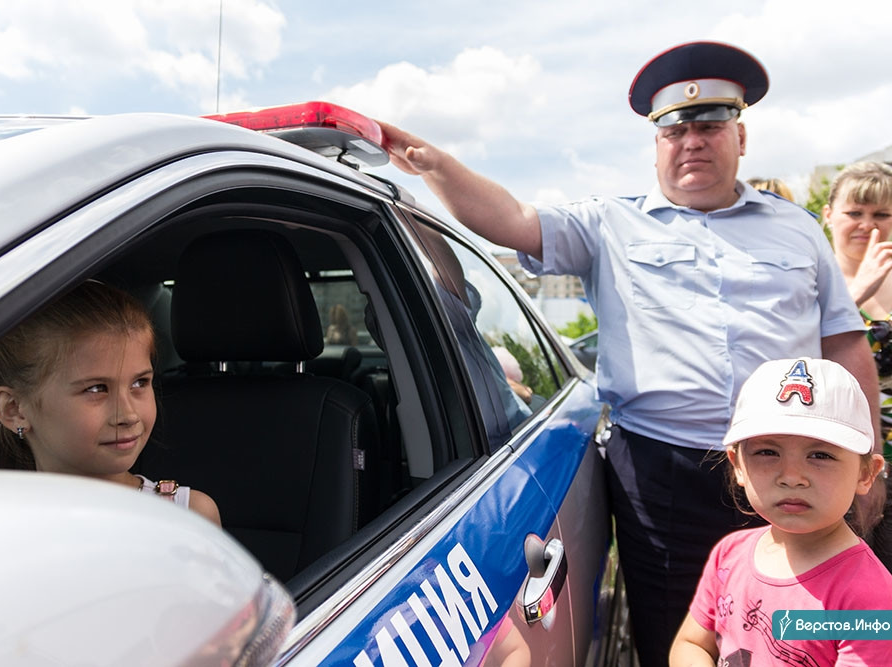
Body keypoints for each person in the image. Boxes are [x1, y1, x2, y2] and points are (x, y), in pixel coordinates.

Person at [378, 41, 879, 666]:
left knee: (820, 625)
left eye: (709, 125)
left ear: (740, 137)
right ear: (657, 143)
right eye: (676, 130)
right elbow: (511, 220)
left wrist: (866, 458)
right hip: (662, 472)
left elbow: (845, 343)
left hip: (794, 461)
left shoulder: (797, 228)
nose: (692, 141)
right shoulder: (608, 222)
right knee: (680, 633)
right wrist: (431, 163)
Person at [670, 358, 892, 666]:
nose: (791, 476)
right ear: (738, 466)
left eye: (820, 454)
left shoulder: (869, 599)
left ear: (866, 474)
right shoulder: (728, 555)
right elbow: (692, 644)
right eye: (767, 452)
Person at [0, 280, 221, 526]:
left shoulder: (187, 516)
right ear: (14, 409)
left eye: (140, 383)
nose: (128, 415)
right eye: (96, 389)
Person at [823, 160, 892, 570]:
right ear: (829, 215)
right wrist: (857, 291)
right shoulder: (810, 281)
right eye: (855, 212)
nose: (868, 224)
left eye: (881, 214)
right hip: (841, 468)